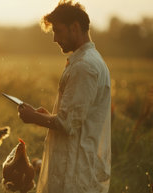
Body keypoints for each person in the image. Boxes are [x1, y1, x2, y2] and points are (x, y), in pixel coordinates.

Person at [17, 1, 111, 193]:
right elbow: (74, 116)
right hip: (76, 165)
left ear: (75, 27)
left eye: (58, 31)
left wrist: (33, 117)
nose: (54, 38)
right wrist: (46, 116)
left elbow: (67, 123)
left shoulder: (84, 67)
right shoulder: (89, 61)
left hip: (74, 171)